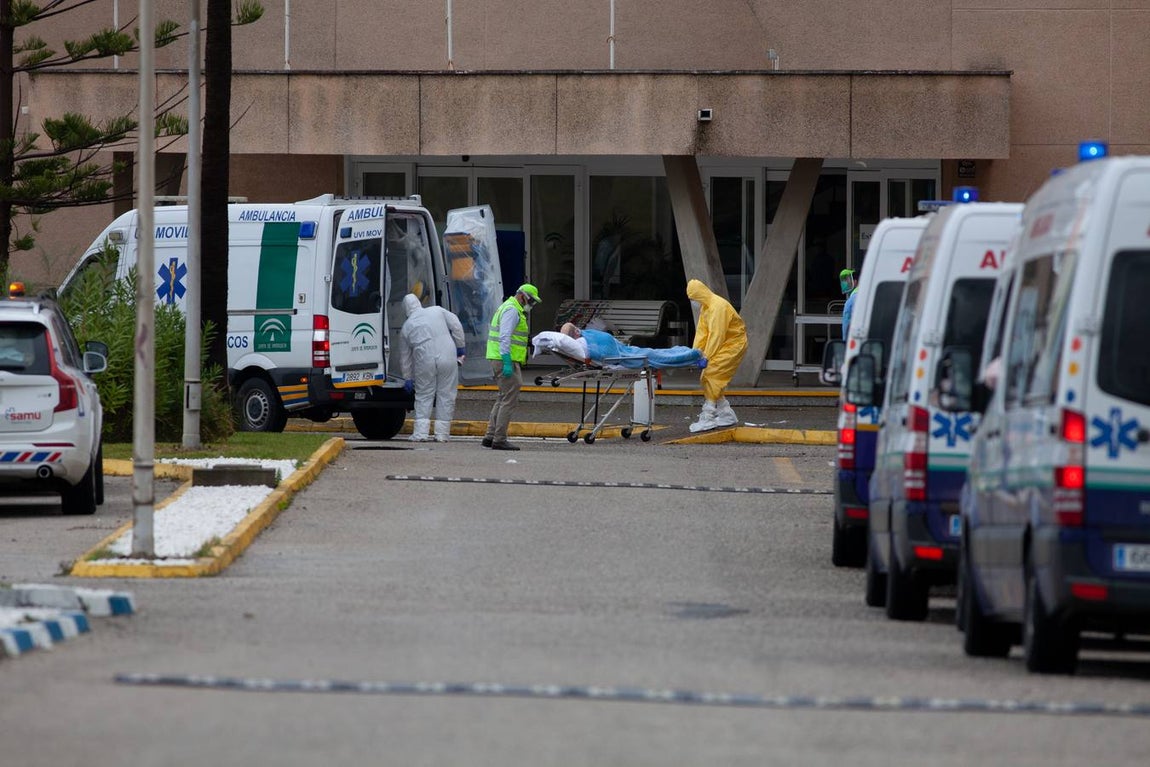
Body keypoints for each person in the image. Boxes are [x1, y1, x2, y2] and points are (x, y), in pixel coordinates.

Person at [398, 293, 466, 442]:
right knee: (446, 394)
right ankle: (442, 435)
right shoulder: (437, 310)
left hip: (424, 360)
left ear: (406, 309)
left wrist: (407, 378)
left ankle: (421, 434)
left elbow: (405, 358)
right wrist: (460, 346)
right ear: (419, 303)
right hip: (448, 355)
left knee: (424, 395)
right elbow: (456, 324)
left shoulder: (406, 327)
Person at [483, 284, 541, 451]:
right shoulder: (512, 310)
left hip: (499, 358)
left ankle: (490, 436)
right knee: (509, 400)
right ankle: (499, 439)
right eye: (531, 301)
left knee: (502, 397)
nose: (532, 304)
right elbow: (505, 337)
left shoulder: (508, 307)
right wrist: (507, 361)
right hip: (504, 359)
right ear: (522, 296)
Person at [686, 279, 747, 432]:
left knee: (712, 374)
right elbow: (702, 333)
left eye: (693, 298)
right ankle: (726, 414)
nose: (693, 302)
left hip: (733, 345)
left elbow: (717, 335)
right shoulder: (706, 308)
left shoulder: (718, 307)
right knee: (708, 377)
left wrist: (706, 356)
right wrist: (694, 353)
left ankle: (708, 416)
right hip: (724, 344)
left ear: (699, 295)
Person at [839, 268, 858, 340]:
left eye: (847, 280)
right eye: (843, 281)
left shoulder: (852, 300)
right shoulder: (865, 296)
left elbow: (846, 326)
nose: (844, 283)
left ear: (855, 281)